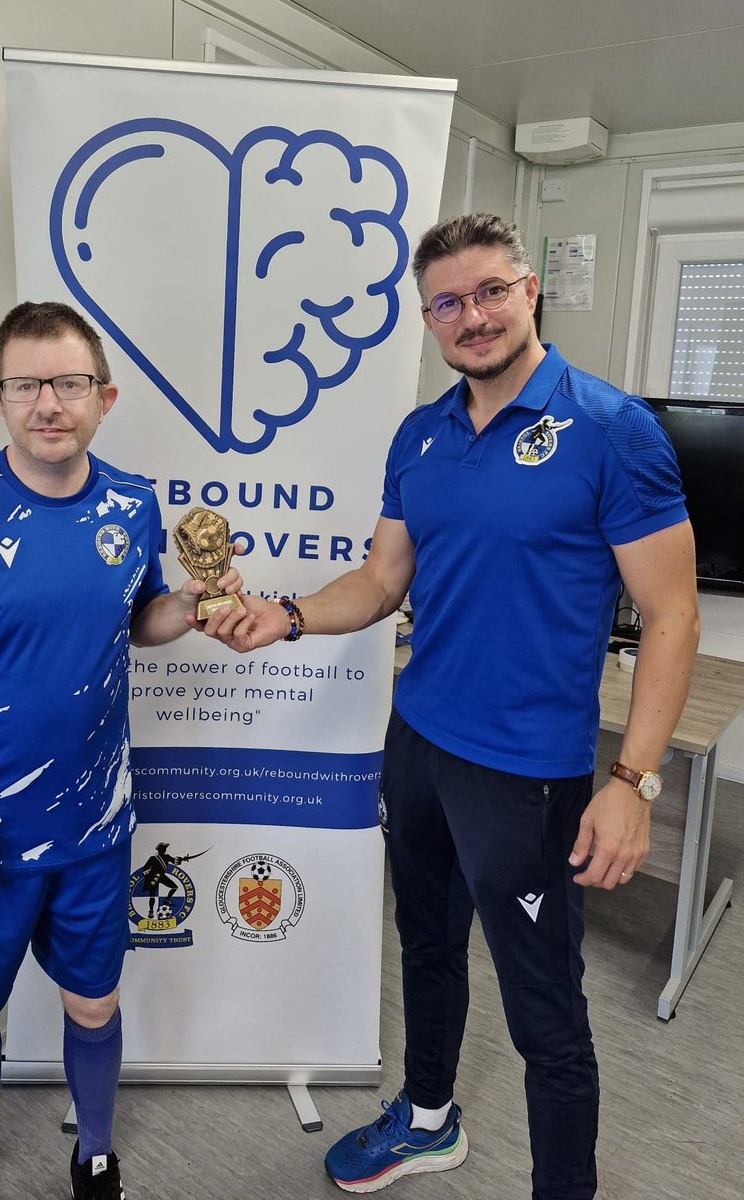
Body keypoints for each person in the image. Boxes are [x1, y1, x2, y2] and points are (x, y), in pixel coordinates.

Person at [209, 214, 700, 1199]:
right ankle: (428, 1121)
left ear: (528, 292)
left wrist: (631, 781)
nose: (470, 316)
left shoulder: (611, 430)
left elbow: (672, 614)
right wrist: (285, 615)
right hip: (420, 741)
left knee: (543, 1010)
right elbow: (381, 580)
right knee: (426, 946)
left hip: (525, 773)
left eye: (488, 292)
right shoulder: (420, 435)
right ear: (427, 318)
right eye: (446, 302)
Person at [0, 301, 247, 1200]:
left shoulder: (132, 502)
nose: (49, 403)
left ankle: (95, 1154)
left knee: (94, 1001)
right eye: (26, 384)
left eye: (70, 383)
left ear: (104, 397)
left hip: (94, 827)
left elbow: (138, 620)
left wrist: (190, 604)